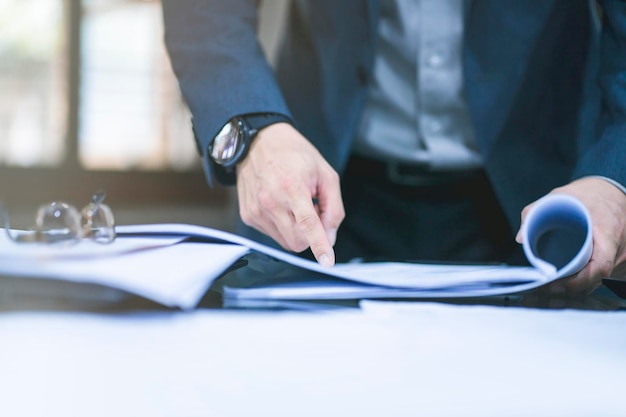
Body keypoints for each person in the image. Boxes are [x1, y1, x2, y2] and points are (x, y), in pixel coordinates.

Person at [162, 0, 626, 295]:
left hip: (537, 198)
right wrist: (252, 129)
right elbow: (206, 13)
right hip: (322, 192)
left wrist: (613, 177)